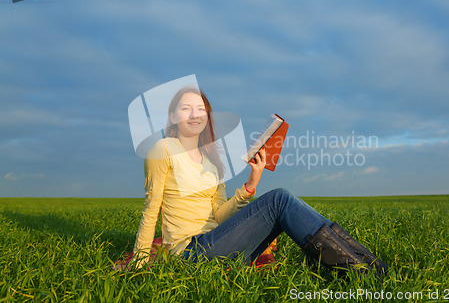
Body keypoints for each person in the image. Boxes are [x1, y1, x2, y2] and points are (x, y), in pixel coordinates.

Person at [131, 87, 388, 275]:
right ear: (173, 115)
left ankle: (368, 267)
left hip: (217, 241)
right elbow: (151, 208)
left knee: (280, 200)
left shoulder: (211, 162)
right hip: (190, 253)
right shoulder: (163, 149)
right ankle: (361, 272)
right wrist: (138, 266)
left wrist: (252, 182)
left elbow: (220, 217)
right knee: (279, 198)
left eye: (201, 108)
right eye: (186, 108)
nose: (194, 114)